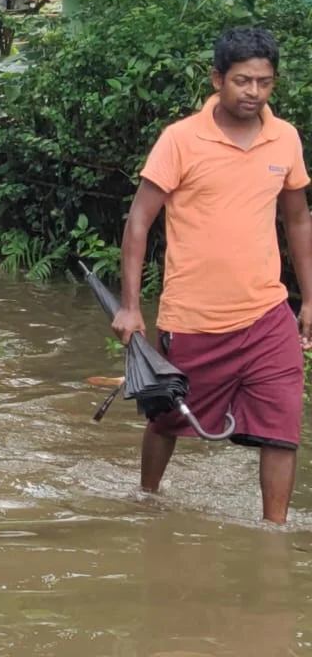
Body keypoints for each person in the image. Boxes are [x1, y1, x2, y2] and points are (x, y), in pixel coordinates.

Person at [111, 27, 312, 524]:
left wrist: (308, 300)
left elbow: (299, 219)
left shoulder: (284, 138)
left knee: (284, 426)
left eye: (265, 83)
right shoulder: (180, 140)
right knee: (166, 421)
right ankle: (148, 502)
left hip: (268, 313)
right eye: (243, 81)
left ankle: (273, 533)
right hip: (194, 319)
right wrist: (131, 305)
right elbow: (140, 219)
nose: (254, 92)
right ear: (217, 79)